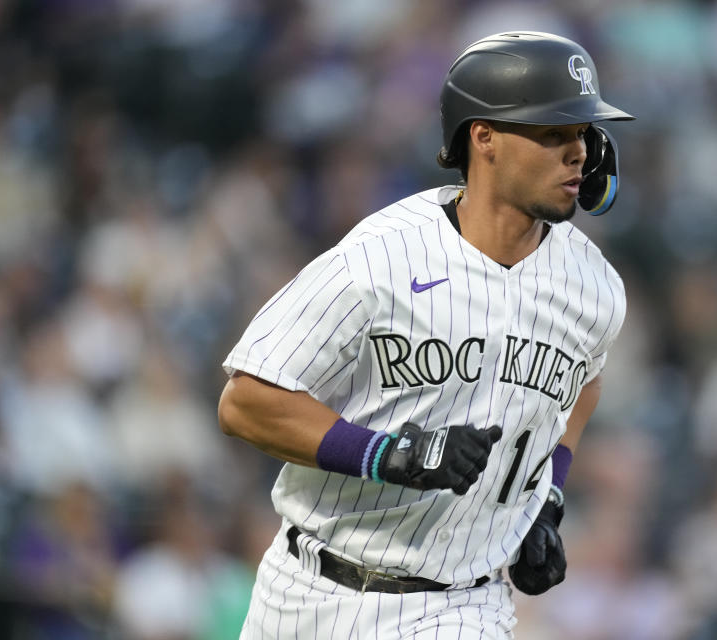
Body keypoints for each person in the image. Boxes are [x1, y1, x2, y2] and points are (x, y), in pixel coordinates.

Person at [218, 31, 633, 639]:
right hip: (306, 590)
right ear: (483, 137)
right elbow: (247, 401)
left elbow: (583, 384)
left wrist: (548, 497)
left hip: (460, 606)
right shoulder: (381, 258)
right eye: (553, 133)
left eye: (583, 133)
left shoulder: (594, 289)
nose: (579, 153)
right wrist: (390, 455)